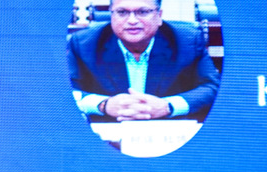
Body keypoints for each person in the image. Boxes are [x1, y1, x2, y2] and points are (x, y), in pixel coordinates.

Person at [67, 0, 220, 122]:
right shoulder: (84, 44)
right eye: (122, 12)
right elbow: (66, 91)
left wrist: (168, 106)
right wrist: (103, 105)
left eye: (143, 12)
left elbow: (212, 87)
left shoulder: (187, 41)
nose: (132, 20)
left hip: (169, 132)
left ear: (159, 16)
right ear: (111, 15)